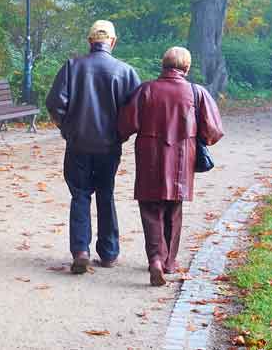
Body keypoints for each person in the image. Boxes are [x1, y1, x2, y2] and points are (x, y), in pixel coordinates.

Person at [118, 46, 224, 286]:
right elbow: (214, 132)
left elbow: (126, 125)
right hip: (181, 159)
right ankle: (169, 262)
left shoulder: (145, 90)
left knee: (150, 209)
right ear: (186, 68)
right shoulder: (197, 93)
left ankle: (155, 258)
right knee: (173, 209)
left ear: (163, 65)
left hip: (149, 158)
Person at [46, 20, 141, 274]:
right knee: (106, 194)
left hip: (78, 144)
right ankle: (109, 253)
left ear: (90, 42)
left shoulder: (72, 66)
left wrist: (67, 129)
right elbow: (135, 113)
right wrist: (120, 135)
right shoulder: (126, 72)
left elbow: (55, 103)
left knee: (80, 195)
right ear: (113, 42)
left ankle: (80, 250)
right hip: (109, 146)